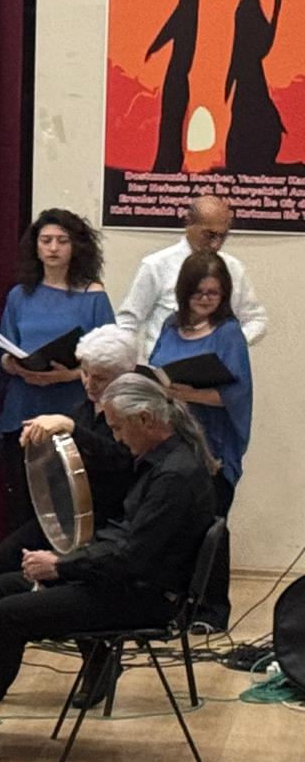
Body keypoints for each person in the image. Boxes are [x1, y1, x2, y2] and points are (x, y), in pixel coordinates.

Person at [0, 374, 216, 762]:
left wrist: (62, 567)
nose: (117, 438)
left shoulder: (174, 476)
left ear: (146, 420)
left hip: (145, 598)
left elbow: (131, 558)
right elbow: (127, 546)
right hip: (129, 581)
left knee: (9, 614)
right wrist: (65, 562)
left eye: (118, 428)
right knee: (5, 586)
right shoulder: (163, 460)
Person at [0, 324, 140, 720]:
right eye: (86, 373)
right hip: (73, 516)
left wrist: (71, 430)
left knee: (38, 576)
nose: (90, 384)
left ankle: (91, 657)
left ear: (126, 375)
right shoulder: (86, 405)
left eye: (100, 378)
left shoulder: (135, 410)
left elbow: (122, 463)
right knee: (3, 559)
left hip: (108, 525)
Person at [0, 209, 114, 529]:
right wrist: (15, 365)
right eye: (46, 240)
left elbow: (109, 360)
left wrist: (68, 374)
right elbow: (3, 352)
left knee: (66, 504)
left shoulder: (93, 296)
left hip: (70, 404)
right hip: (23, 403)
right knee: (21, 503)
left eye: (62, 241)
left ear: (76, 247)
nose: (53, 248)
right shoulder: (20, 295)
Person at [148, 251, 251, 628]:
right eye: (199, 292)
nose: (206, 299)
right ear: (184, 291)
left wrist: (190, 394)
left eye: (214, 293)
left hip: (212, 444)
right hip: (172, 440)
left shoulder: (228, 333)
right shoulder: (170, 325)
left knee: (209, 525)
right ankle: (174, 605)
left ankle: (211, 610)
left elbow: (236, 394)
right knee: (172, 525)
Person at [116, 195, 266, 359]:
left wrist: (229, 343)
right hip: (166, 364)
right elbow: (128, 320)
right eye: (209, 235)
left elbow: (256, 319)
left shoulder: (234, 269)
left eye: (222, 236)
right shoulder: (156, 266)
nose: (216, 244)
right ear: (189, 223)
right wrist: (123, 360)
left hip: (219, 366)